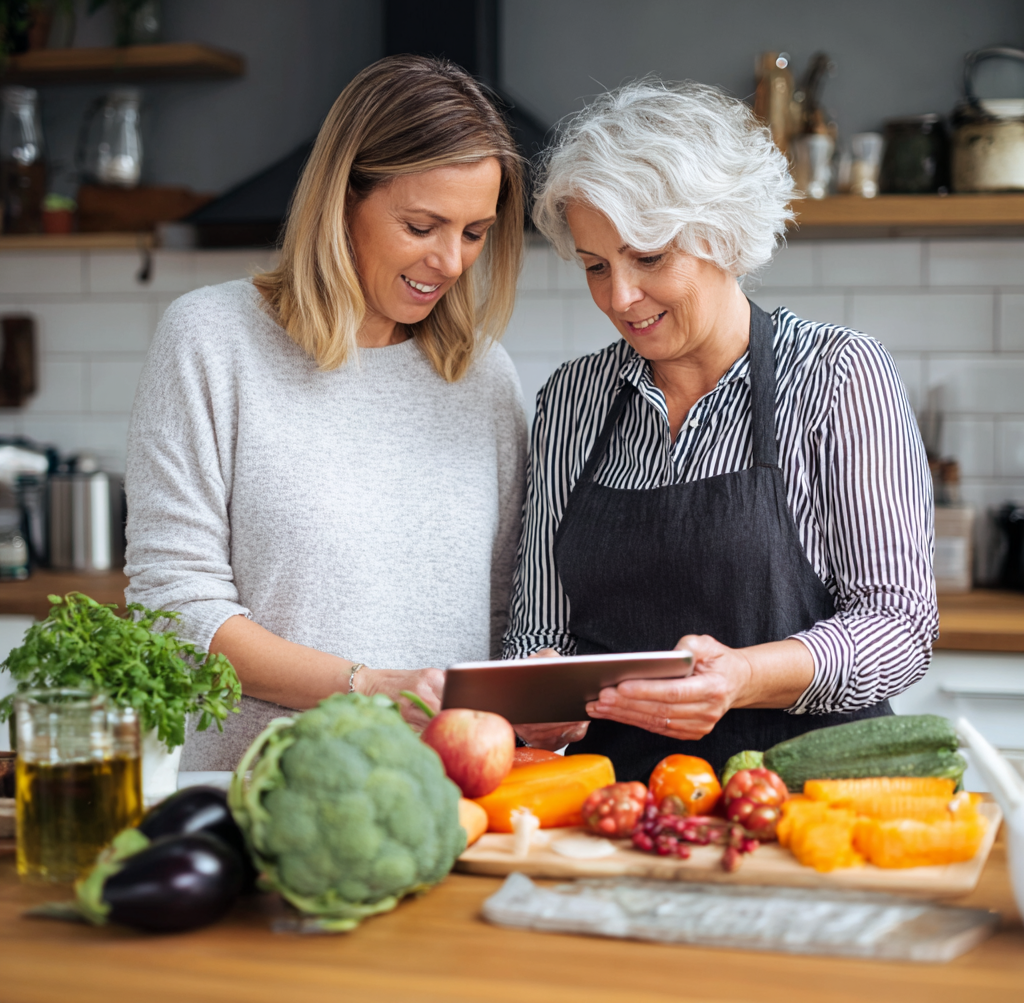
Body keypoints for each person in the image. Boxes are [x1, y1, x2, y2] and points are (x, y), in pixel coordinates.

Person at [505, 80, 937, 781]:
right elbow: (542, 629)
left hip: (803, 803)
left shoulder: (835, 376)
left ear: (727, 237)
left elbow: (898, 626)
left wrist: (741, 676)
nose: (619, 297)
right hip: (619, 809)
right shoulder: (573, 400)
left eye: (649, 258)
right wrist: (538, 695)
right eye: (594, 266)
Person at [126, 56, 528, 771]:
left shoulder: (483, 375)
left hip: (450, 803)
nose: (451, 261)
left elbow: (503, 613)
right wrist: (369, 687)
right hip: (257, 795)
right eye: (421, 225)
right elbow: (175, 610)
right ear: (343, 199)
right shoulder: (212, 341)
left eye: (474, 232)